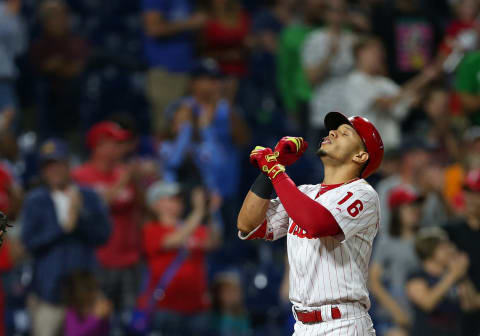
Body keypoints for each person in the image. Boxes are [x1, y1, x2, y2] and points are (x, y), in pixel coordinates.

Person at [237, 111, 384, 334]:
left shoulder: (363, 193)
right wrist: (272, 167)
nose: (333, 132)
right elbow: (248, 224)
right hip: (302, 326)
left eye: (345, 133)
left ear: (360, 156)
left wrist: (276, 171)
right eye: (333, 130)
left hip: (343, 323)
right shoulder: (304, 193)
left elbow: (317, 223)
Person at [21, 139, 111, 336]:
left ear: (68, 164)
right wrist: (62, 228)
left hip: (84, 291)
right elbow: (29, 241)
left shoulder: (88, 196)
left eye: (58, 164)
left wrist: (80, 218)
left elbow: (103, 235)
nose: (54, 170)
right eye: (48, 165)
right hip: (48, 291)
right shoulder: (35, 200)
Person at [72, 121, 142, 317]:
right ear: (98, 145)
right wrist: (125, 180)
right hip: (98, 260)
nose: (121, 148)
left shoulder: (123, 172)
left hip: (129, 259)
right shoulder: (80, 175)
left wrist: (136, 181)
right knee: (98, 319)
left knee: (129, 321)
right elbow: (97, 206)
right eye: (115, 143)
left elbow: (140, 208)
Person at [140, 182, 221, 336]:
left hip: (197, 307)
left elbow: (213, 242)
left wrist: (212, 213)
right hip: (167, 307)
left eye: (179, 199)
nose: (177, 203)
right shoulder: (151, 229)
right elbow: (174, 240)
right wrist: (198, 212)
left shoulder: (194, 227)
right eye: (170, 199)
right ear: (155, 204)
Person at [344, 36, 439, 149]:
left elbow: (405, 97)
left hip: (389, 146)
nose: (379, 56)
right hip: (364, 148)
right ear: (360, 54)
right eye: (374, 52)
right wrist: (423, 78)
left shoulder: (384, 82)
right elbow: (386, 102)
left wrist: (425, 83)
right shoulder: (354, 81)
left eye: (380, 53)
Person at [29, 0, 90, 139]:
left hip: (74, 100)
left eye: (62, 15)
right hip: (49, 101)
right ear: (44, 20)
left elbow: (77, 68)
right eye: (52, 16)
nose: (58, 20)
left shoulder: (77, 42)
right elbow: (41, 67)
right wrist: (57, 67)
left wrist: (58, 66)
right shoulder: (39, 44)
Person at [142, 0, 206, 134]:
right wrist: (190, 23)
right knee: (165, 127)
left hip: (190, 69)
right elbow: (153, 28)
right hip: (165, 70)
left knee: (191, 125)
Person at [368, 186, 423, 336]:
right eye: (409, 206)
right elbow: (374, 281)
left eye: (416, 205)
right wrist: (396, 312)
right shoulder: (387, 241)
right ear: (396, 211)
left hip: (425, 310)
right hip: (397, 313)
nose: (415, 210)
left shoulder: (426, 238)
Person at [302, 0, 355, 138]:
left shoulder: (353, 40)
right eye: (333, 10)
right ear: (325, 14)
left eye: (341, 11)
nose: (337, 15)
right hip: (324, 111)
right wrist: (329, 56)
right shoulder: (313, 39)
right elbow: (311, 79)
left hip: (350, 109)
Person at [406, 228, 471, 336]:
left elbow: (468, 305)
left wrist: (463, 276)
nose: (451, 250)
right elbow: (427, 303)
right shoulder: (416, 276)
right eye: (444, 248)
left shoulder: (453, 276)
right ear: (430, 251)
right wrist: (453, 275)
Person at [276, 0, 324, 133]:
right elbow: (285, 72)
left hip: (331, 97)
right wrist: (290, 105)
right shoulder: (291, 34)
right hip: (303, 98)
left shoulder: (331, 32)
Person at [443, 169, 480, 336]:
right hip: (460, 316)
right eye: (468, 192)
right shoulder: (451, 231)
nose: (471, 199)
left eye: (476, 193)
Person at [0, 0, 26, 131]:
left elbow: (19, 48)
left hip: (4, 80)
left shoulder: (7, 10)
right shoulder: (5, 11)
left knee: (9, 123)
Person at [63, 271, 112, 336]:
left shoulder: (95, 308)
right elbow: (74, 333)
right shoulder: (72, 311)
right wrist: (95, 318)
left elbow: (104, 331)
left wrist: (105, 319)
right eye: (92, 289)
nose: (96, 294)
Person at [208, 271, 251, 336]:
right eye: (225, 291)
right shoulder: (210, 318)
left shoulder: (243, 317)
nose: (229, 295)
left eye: (233, 291)